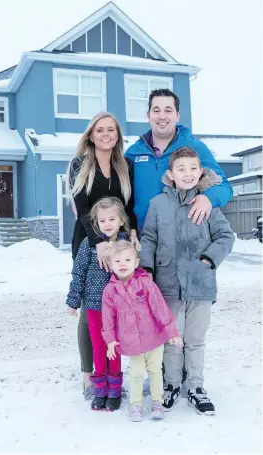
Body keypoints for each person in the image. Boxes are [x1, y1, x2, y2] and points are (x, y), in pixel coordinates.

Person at [140, 147, 234, 416]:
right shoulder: (158, 204)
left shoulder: (207, 203)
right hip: (167, 286)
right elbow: (149, 239)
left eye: (193, 168)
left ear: (200, 172)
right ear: (170, 174)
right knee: (172, 340)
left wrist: (208, 260)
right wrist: (147, 267)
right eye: (181, 169)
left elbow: (225, 237)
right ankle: (171, 384)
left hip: (200, 286)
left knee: (195, 340)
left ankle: (195, 386)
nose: (188, 174)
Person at [66, 112, 138, 399]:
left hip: (119, 242)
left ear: (117, 135)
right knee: (91, 309)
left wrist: (131, 231)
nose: (106, 134)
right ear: (91, 135)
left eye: (111, 130)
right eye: (100, 130)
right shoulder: (79, 164)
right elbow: (82, 208)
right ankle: (89, 375)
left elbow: (129, 205)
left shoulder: (126, 165)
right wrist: (97, 242)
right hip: (87, 239)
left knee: (116, 308)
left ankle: (113, 371)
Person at [124, 88, 233, 232]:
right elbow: (123, 196)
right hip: (143, 241)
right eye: (156, 110)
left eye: (168, 110)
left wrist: (208, 198)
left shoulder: (195, 147)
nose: (162, 116)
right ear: (148, 115)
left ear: (178, 115)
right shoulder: (133, 152)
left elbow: (225, 186)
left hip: (182, 242)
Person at [66, 197, 134, 412]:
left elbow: (134, 272)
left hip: (118, 308)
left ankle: (115, 390)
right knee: (98, 347)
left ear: (121, 220)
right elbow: (79, 273)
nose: (107, 224)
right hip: (94, 306)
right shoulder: (89, 244)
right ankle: (100, 388)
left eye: (112, 219)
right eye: (102, 220)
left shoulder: (126, 245)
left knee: (114, 348)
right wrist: (73, 300)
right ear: (95, 222)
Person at [101, 241, 182, 422]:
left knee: (155, 371)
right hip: (130, 341)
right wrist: (110, 339)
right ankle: (135, 404)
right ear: (111, 264)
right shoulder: (110, 291)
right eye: (118, 261)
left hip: (154, 337)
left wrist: (171, 331)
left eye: (127, 260)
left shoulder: (145, 283)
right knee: (136, 373)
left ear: (136, 263)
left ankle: (157, 402)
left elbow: (159, 307)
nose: (123, 264)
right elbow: (108, 317)